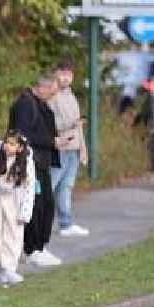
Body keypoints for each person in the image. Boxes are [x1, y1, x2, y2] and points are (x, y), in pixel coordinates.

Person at [8, 73, 69, 267]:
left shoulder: (38, 104)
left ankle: (39, 246)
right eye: (52, 90)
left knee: (45, 204)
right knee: (36, 205)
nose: (53, 94)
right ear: (41, 87)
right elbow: (22, 134)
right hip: (30, 164)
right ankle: (32, 248)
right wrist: (52, 141)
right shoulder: (25, 104)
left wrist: (55, 141)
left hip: (40, 162)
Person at [0, 130, 36, 285]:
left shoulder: (26, 162)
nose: (7, 146)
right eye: (6, 142)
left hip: (14, 199)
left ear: (19, 147)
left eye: (12, 144)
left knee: (13, 233)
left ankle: (9, 268)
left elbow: (29, 187)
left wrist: (25, 211)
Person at [48, 61, 90, 237]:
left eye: (69, 74)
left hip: (73, 148)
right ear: (56, 74)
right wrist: (70, 124)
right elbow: (50, 124)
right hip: (60, 147)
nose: (66, 77)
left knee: (66, 187)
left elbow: (79, 126)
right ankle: (39, 223)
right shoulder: (52, 96)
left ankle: (65, 223)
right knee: (50, 186)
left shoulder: (71, 96)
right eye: (62, 73)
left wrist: (83, 148)